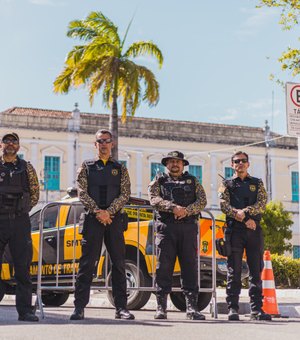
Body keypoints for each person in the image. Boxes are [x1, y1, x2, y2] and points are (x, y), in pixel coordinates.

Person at [70, 129, 135, 321]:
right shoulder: (87, 167)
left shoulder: (120, 168)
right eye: (100, 141)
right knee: (87, 264)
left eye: (107, 141)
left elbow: (125, 193)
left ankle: (121, 308)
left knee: (119, 264)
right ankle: (79, 307)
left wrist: (110, 212)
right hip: (93, 219)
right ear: (95, 144)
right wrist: (99, 212)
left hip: (114, 220)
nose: (104, 144)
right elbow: (82, 192)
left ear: (112, 144)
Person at [148, 151, 207, 320]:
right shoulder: (159, 181)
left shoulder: (193, 181)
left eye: (178, 162)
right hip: (167, 229)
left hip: (188, 229)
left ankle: (192, 308)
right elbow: (153, 199)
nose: (175, 164)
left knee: (190, 268)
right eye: (172, 161)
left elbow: (202, 201)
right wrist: (173, 207)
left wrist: (186, 211)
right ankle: (161, 308)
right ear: (166, 164)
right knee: (163, 268)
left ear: (183, 165)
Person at [218, 151, 271, 321]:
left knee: (256, 270)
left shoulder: (257, 183)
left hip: (253, 230)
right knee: (234, 270)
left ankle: (257, 310)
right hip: (235, 231)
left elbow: (262, 203)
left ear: (248, 164)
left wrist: (246, 214)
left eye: (243, 161)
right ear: (232, 165)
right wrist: (239, 215)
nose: (240, 163)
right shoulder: (226, 184)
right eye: (236, 161)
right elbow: (223, 204)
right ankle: (233, 308)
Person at [0, 132, 40, 322]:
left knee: (23, 268)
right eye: (6, 141)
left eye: (13, 141)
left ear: (18, 146)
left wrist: (21, 209)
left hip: (19, 221)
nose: (10, 144)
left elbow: (34, 194)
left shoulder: (27, 168)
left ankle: (25, 311)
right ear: (1, 145)